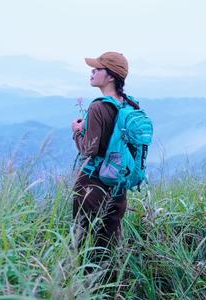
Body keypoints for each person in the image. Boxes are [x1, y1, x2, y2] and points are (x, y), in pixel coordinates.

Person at [71, 52, 139, 271]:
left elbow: (88, 149)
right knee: (108, 249)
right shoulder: (129, 106)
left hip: (92, 185)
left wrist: (76, 132)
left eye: (97, 69)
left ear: (110, 76)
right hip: (118, 186)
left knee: (83, 248)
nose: (92, 71)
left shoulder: (98, 107)